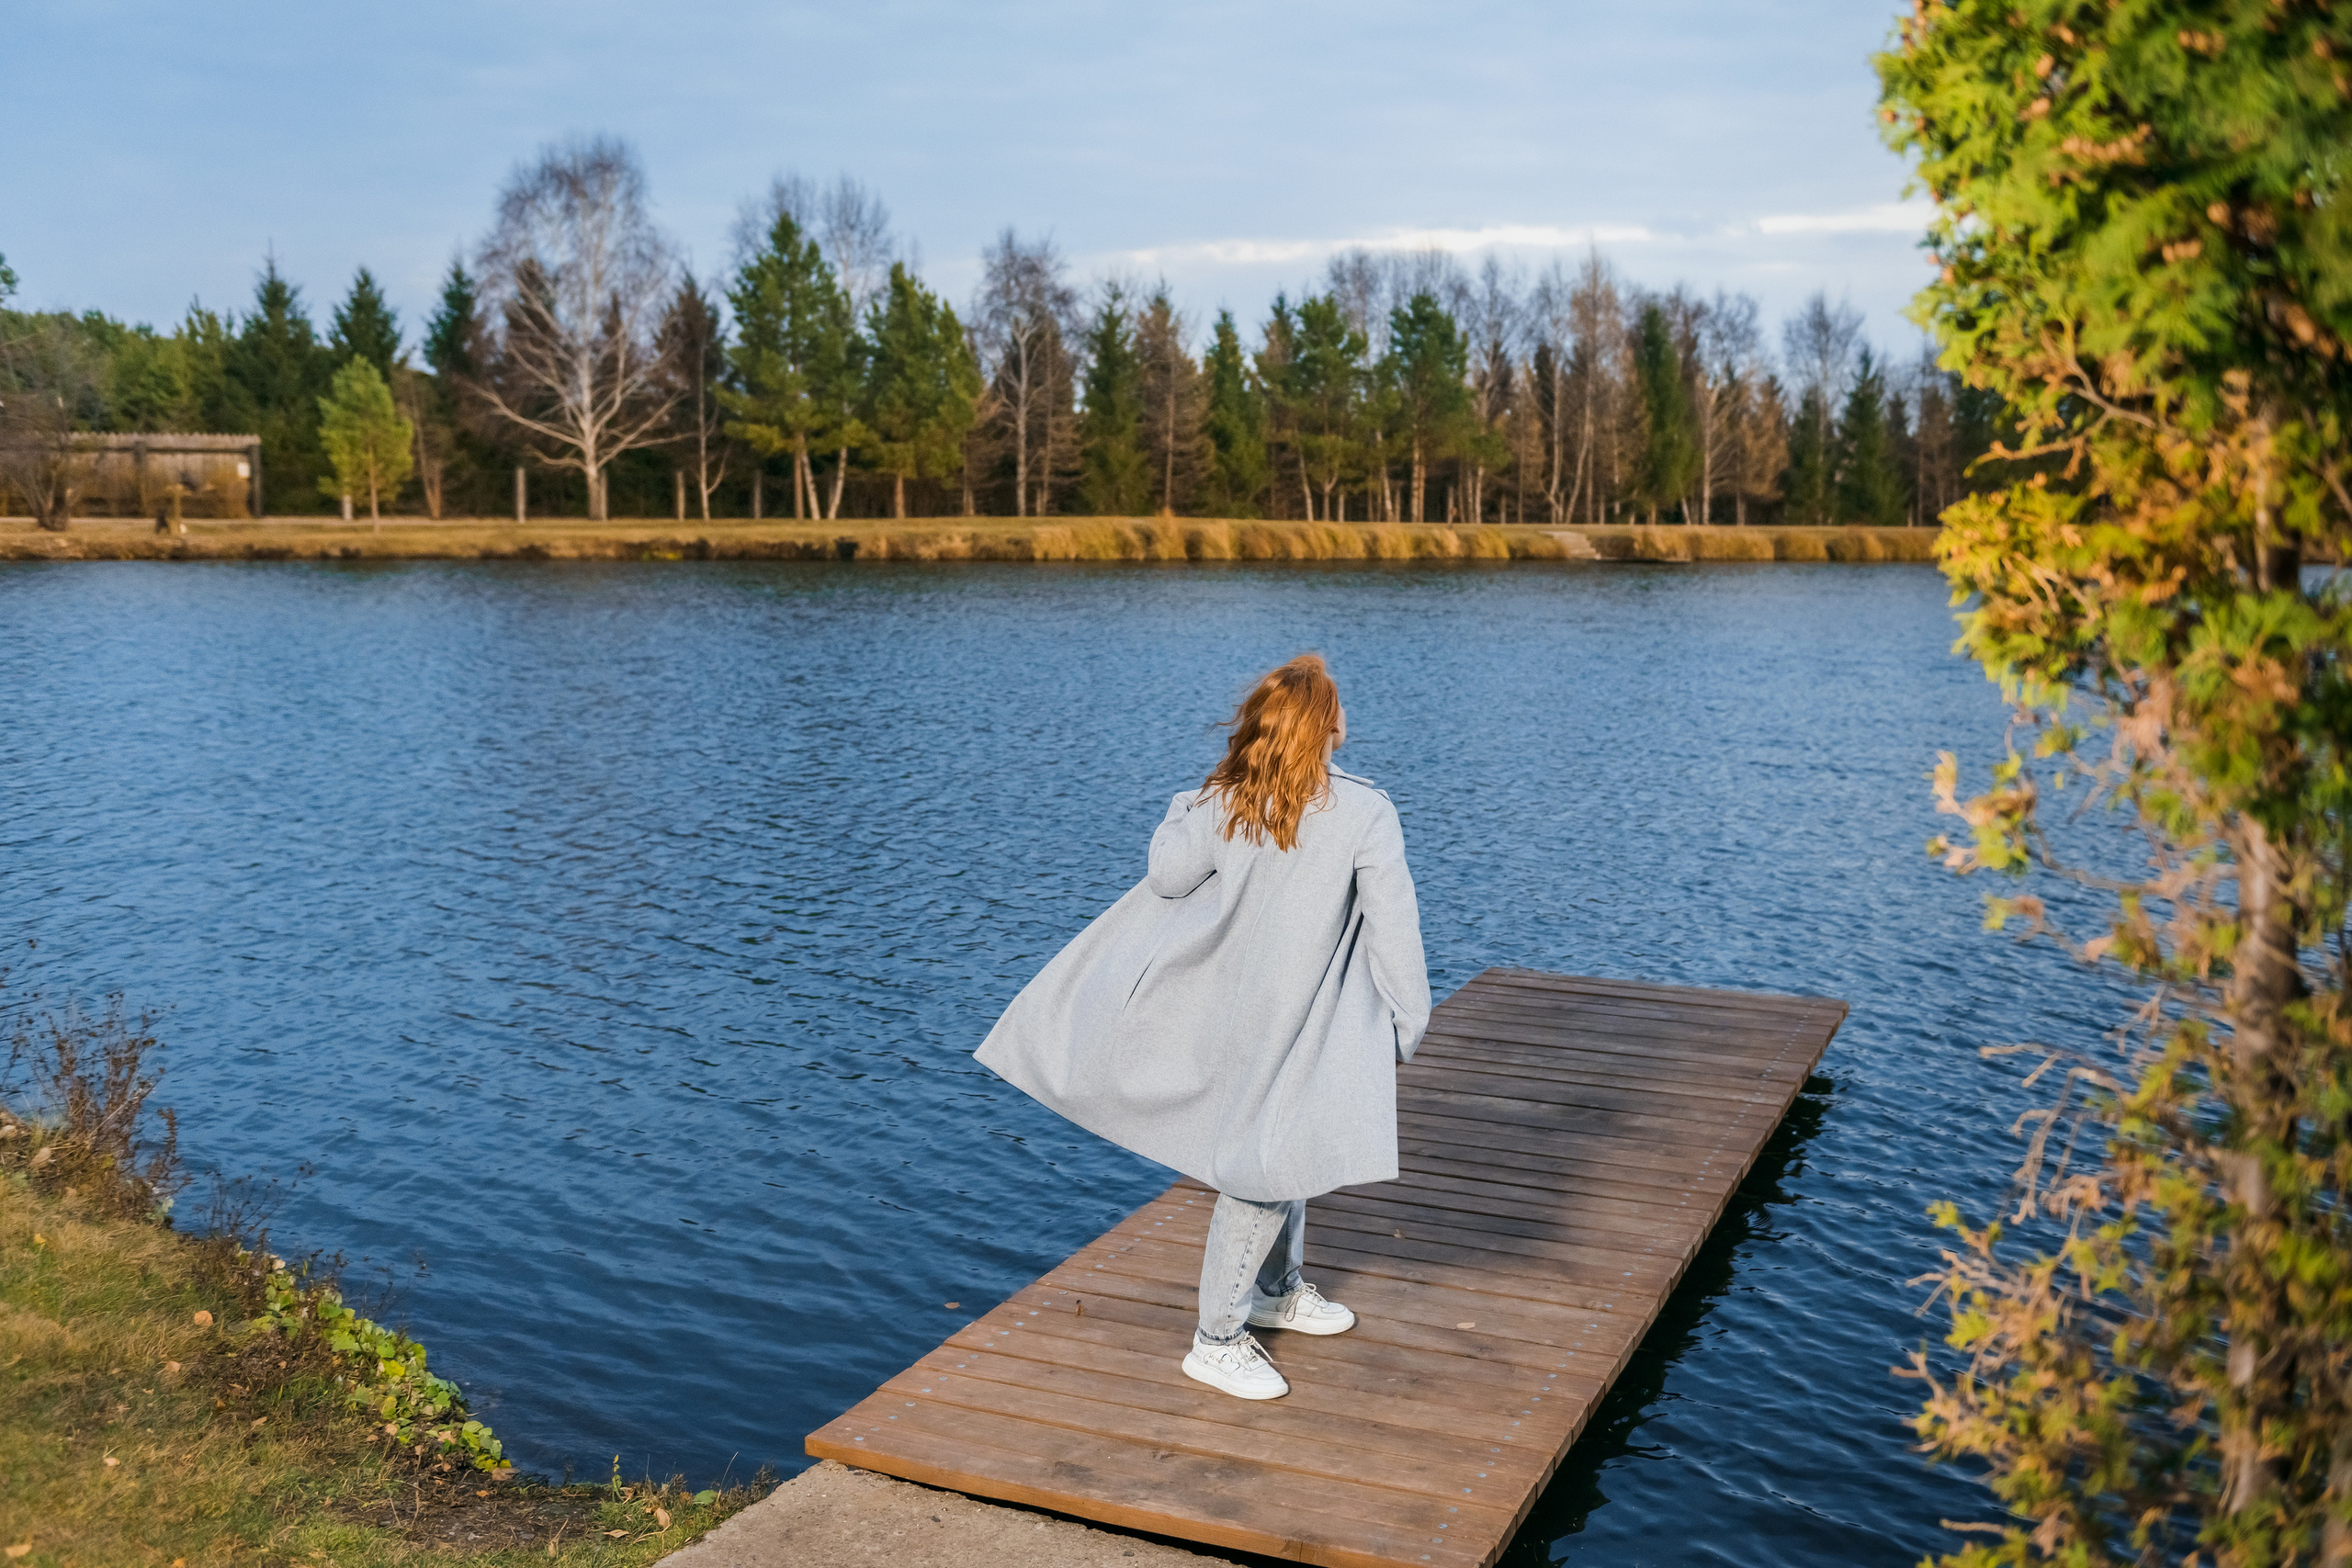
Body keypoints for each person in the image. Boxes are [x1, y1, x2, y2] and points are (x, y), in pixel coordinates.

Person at [976, 653, 1430, 1401]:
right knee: (1260, 1170)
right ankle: (1216, 1338)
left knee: (1286, 1149)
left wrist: (1186, 802)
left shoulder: (1228, 801)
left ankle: (1277, 1290)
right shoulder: (1365, 811)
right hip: (1297, 1018)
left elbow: (1166, 873)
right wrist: (1406, 1023)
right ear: (1323, 725)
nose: (1348, 711)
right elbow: (1396, 930)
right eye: (1338, 703)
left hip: (1236, 1014)